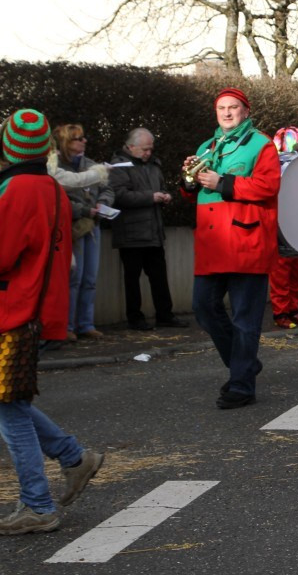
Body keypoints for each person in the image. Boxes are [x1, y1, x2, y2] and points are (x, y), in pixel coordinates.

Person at [0, 109, 105, 535]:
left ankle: (38, 505)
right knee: (12, 402)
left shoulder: (17, 190)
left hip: (13, 311)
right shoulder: (48, 187)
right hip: (33, 310)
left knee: (9, 409)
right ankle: (74, 458)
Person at [181, 88, 280, 409]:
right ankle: (244, 364)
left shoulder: (261, 144)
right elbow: (195, 189)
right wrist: (188, 180)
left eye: (233, 107)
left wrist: (223, 183)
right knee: (203, 307)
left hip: (246, 242)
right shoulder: (207, 146)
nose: (226, 113)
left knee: (244, 320)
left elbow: (269, 186)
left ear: (245, 111)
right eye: (221, 108)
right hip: (213, 244)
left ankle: (241, 385)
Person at [110, 128, 186, 331]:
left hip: (153, 229)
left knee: (159, 275)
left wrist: (164, 195)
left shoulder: (153, 165)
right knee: (132, 277)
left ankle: (165, 315)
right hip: (131, 231)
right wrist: (151, 197)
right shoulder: (119, 166)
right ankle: (135, 317)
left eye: (150, 149)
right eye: (144, 149)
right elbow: (119, 195)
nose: (148, 153)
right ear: (131, 146)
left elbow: (158, 188)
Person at [54, 123, 114, 340]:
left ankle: (85, 324)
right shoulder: (56, 167)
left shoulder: (90, 164)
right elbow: (59, 199)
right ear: (67, 142)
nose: (84, 141)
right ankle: (67, 326)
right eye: (79, 138)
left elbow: (107, 187)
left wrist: (102, 203)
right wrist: (84, 210)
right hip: (74, 229)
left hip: (93, 226)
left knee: (90, 277)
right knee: (73, 278)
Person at [269, 126, 298, 330]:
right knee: (281, 271)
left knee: (295, 270)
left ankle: (293, 309)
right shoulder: (273, 165)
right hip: (280, 223)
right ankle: (281, 312)